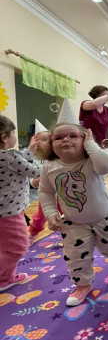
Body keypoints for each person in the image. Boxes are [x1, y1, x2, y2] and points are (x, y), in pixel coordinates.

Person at [39, 107, 108, 307]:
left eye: (72, 136)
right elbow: (45, 192)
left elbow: (107, 166)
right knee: (75, 257)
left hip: (104, 217)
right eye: (58, 137)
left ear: (84, 139)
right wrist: (51, 213)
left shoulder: (91, 161)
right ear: (51, 143)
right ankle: (82, 284)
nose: (65, 140)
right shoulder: (49, 166)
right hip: (73, 222)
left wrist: (91, 144)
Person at [0, 116, 41, 292]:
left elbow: (18, 161)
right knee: (18, 248)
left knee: (7, 247)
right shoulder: (11, 157)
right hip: (10, 212)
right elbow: (35, 171)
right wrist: (51, 162)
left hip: (5, 211)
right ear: (4, 137)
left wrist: (29, 150)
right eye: (13, 133)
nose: (15, 137)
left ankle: (6, 278)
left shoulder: (8, 157)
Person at [28, 128, 52, 246]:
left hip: (63, 195)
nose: (48, 141)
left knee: (68, 216)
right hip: (46, 196)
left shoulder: (60, 157)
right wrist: (35, 183)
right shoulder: (36, 161)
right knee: (39, 218)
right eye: (42, 139)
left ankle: (68, 236)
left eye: (47, 139)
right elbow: (32, 181)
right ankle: (32, 234)